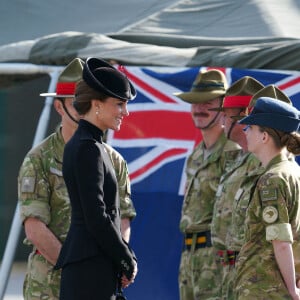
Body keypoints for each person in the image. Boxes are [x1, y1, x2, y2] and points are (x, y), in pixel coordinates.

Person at [18, 58, 137, 300]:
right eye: (75, 102)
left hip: (94, 270)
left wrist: (119, 259)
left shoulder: (110, 157)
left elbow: (120, 218)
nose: (80, 106)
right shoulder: (42, 158)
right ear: (59, 107)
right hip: (52, 279)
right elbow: (34, 227)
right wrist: (79, 265)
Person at [55, 57, 138, 299]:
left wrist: (122, 258)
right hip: (88, 272)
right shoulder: (88, 148)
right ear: (96, 104)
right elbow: (96, 216)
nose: (125, 111)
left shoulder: (89, 144)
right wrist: (126, 258)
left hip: (92, 267)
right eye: (119, 104)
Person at [174, 69, 241, 299]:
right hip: (190, 256)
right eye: (194, 102)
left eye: (208, 102)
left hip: (217, 258)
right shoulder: (195, 155)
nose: (199, 108)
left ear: (223, 106)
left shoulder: (234, 153)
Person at [235, 97, 300, 299]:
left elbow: (280, 240)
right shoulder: (293, 171)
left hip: (265, 288)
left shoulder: (272, 179)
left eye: (251, 128)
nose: (245, 132)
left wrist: (292, 290)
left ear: (264, 136)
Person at [210, 76, 264, 299]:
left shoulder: (263, 160)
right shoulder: (239, 158)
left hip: (254, 274)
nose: (221, 121)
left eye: (226, 115)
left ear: (243, 118)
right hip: (228, 270)